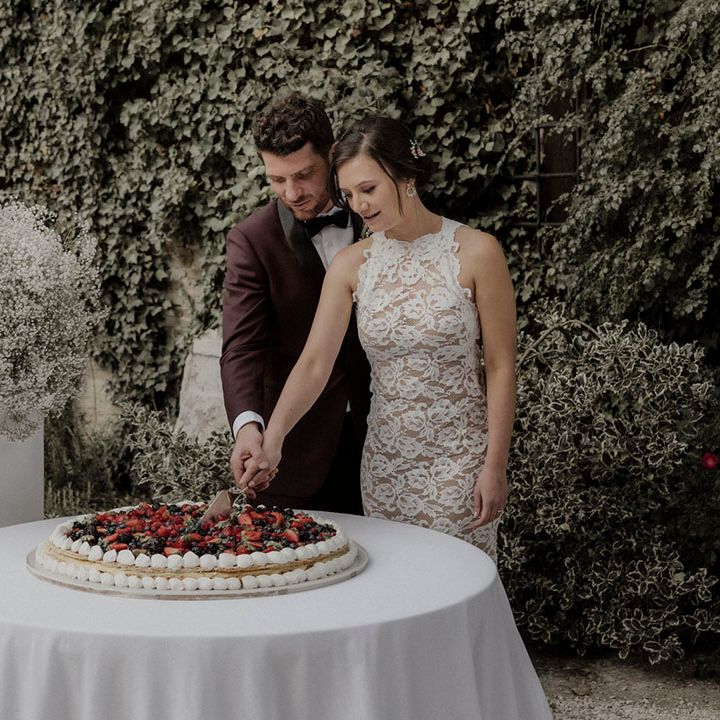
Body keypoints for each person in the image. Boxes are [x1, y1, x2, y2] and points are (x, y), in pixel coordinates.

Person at [241, 116, 516, 561]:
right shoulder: (351, 266)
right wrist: (272, 442)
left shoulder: (478, 252)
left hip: (459, 465)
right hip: (385, 466)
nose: (359, 205)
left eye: (368, 189)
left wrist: (494, 465)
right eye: (349, 194)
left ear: (405, 175)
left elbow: (501, 367)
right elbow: (314, 363)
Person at [220, 93, 371, 514]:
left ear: (332, 153)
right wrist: (249, 428)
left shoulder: (377, 216)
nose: (292, 192)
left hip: (384, 438)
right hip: (292, 454)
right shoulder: (253, 239)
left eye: (304, 175)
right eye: (277, 179)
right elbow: (242, 347)